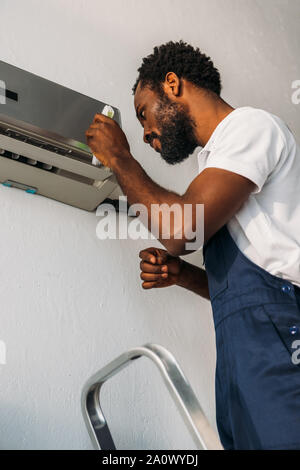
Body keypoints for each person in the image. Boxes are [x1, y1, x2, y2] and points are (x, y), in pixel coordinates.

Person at [86, 41, 300, 450]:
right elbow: (247, 283)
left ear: (172, 84)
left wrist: (121, 160)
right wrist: (184, 276)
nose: (146, 132)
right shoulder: (217, 163)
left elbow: (183, 230)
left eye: (143, 113)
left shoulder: (251, 127)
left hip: (280, 344)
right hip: (241, 356)